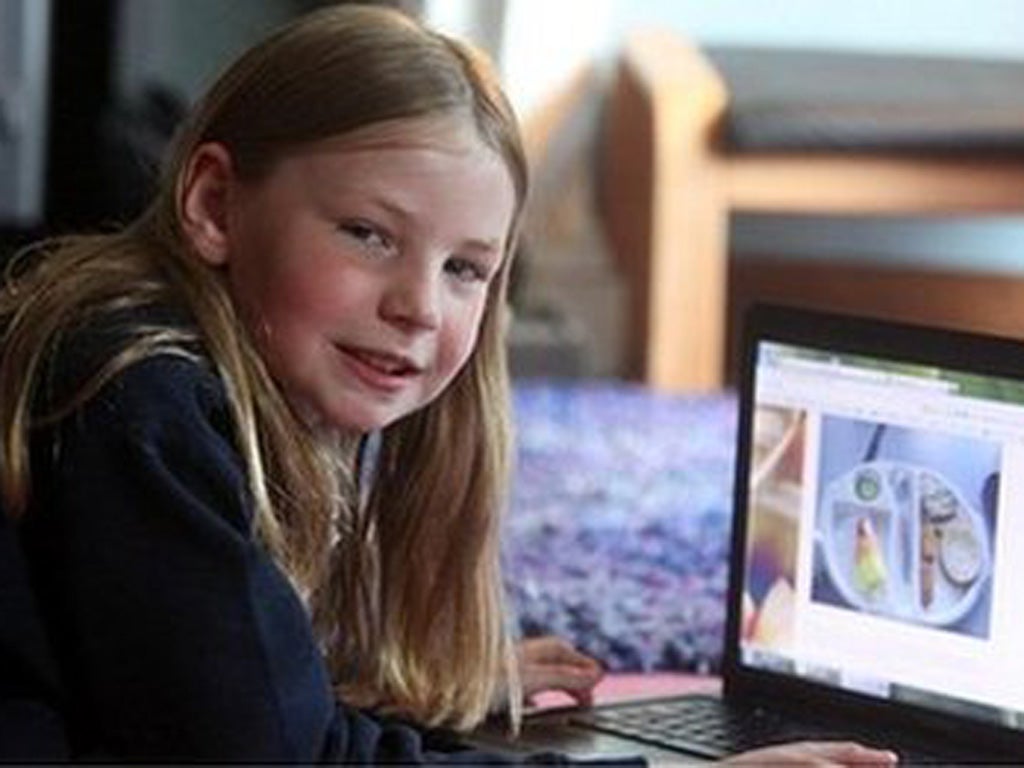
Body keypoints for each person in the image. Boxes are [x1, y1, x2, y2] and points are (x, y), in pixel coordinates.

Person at [0, 4, 898, 764]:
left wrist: (372, 688)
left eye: (466, 269)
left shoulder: (192, 377)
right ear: (213, 205)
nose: (419, 307)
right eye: (368, 234)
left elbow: (174, 680)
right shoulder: (136, 397)